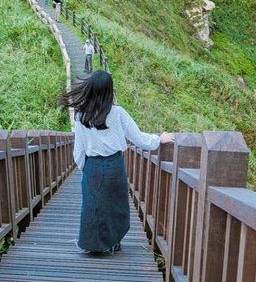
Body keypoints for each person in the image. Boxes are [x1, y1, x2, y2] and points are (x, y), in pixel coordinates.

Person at [60, 71, 172, 255]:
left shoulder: (80, 116)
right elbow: (139, 138)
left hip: (93, 166)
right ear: (109, 91)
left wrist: (84, 169)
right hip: (114, 165)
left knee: (92, 205)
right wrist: (159, 139)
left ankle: (91, 243)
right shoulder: (118, 113)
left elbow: (78, 149)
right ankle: (112, 241)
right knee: (116, 204)